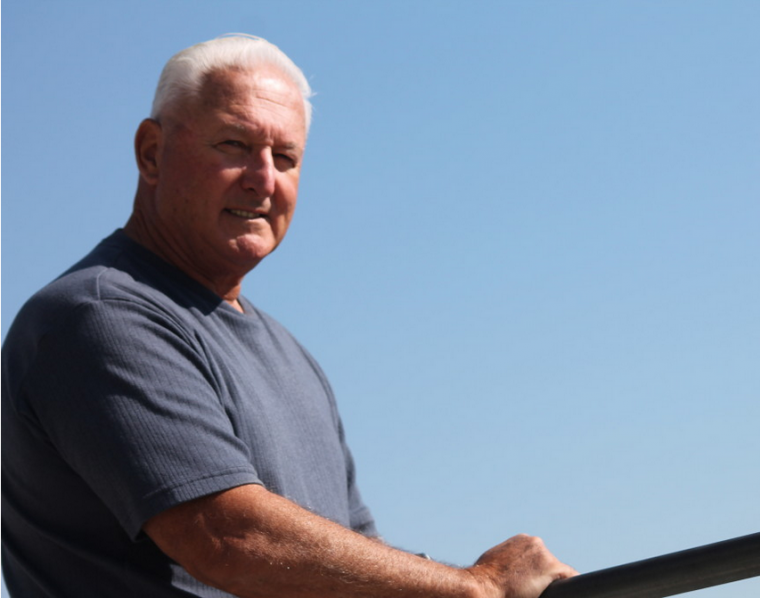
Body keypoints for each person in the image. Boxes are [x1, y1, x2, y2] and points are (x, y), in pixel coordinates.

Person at [1, 34, 576, 597]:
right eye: (233, 145)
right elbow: (229, 539)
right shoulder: (98, 317)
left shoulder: (292, 357)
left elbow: (353, 564)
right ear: (152, 153)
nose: (264, 179)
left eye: (286, 157)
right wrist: (475, 588)